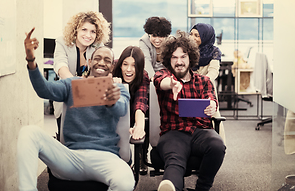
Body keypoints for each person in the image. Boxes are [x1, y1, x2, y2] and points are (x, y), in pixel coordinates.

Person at [18, 28, 134, 191]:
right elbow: (43, 90)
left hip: (105, 158)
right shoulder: (72, 84)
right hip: (71, 157)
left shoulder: (118, 89)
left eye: (107, 60)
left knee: (126, 181)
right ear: (89, 62)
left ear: (112, 67)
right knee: (28, 133)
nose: (102, 62)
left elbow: (121, 108)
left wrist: (112, 101)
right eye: (98, 58)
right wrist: (31, 60)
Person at [153, 31, 226, 191]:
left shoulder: (204, 81)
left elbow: (210, 97)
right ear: (168, 59)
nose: (179, 62)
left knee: (217, 145)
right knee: (175, 161)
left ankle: (202, 188)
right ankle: (170, 187)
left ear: (190, 58)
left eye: (183, 57)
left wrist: (212, 105)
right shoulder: (164, 76)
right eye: (174, 57)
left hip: (200, 131)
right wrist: (171, 84)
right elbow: (160, 82)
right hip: (173, 132)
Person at [53, 11, 110, 135]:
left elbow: (104, 69)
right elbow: (61, 67)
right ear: (76, 30)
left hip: (89, 101)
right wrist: (79, 84)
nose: (88, 35)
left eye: (93, 31)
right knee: (66, 140)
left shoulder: (98, 47)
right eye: (84, 29)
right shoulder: (62, 42)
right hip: (66, 99)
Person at [112, 46, 150, 174]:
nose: (129, 69)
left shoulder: (143, 76)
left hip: (133, 110)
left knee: (145, 118)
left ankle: (142, 154)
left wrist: (139, 126)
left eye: (134, 65)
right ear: (120, 64)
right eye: (125, 64)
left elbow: (140, 102)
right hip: (114, 112)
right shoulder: (113, 70)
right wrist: (114, 86)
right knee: (123, 157)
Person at [189, 23, 226, 143]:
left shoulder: (214, 51)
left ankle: (219, 145)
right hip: (188, 88)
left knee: (213, 116)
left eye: (197, 35)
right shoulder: (186, 50)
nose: (192, 38)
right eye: (191, 34)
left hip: (206, 87)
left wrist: (200, 82)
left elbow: (213, 72)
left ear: (205, 37)